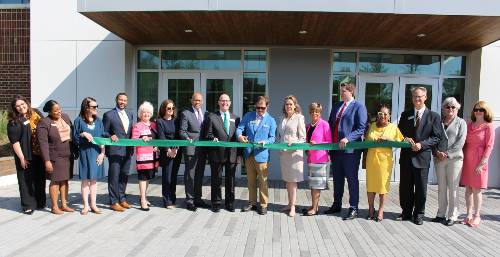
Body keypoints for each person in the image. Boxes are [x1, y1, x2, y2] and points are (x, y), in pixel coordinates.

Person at [398, 87, 442, 225]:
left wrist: (421, 145)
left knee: (421, 188)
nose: (417, 99)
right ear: (412, 98)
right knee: (405, 187)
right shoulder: (406, 114)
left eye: (420, 96)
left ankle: (419, 214)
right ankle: (406, 212)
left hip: (422, 157)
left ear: (425, 97)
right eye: (415, 97)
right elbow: (398, 133)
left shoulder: (434, 116)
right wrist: (404, 138)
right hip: (406, 157)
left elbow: (436, 137)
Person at [325, 82, 367, 220]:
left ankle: (353, 208)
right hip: (336, 150)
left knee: (351, 179)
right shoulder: (337, 106)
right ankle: (337, 204)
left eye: (344, 91)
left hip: (350, 151)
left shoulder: (359, 107)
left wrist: (348, 138)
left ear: (351, 92)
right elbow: (330, 125)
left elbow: (361, 128)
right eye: (341, 91)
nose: (342, 93)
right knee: (337, 179)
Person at [236, 95, 277, 215]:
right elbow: (240, 128)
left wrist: (266, 142)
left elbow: (273, 137)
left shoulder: (271, 120)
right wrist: (239, 136)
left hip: (262, 155)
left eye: (262, 108)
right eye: (258, 107)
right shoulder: (248, 116)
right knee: (251, 181)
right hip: (249, 154)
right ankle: (252, 203)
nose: (260, 110)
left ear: (267, 107)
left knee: (263, 182)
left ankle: (263, 205)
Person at [7, 95, 46, 214]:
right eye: (17, 106)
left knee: (40, 179)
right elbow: (15, 142)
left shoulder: (36, 113)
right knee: (25, 180)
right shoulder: (14, 121)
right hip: (25, 155)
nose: (20, 107)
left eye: (22, 104)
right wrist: (21, 158)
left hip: (39, 153)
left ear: (27, 103)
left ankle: (40, 202)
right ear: (14, 108)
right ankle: (28, 205)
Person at [365, 105, 404, 222]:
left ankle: (381, 210)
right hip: (372, 159)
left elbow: (400, 141)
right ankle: (371, 209)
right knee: (371, 185)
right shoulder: (372, 126)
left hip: (384, 161)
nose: (383, 116)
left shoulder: (393, 128)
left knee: (382, 186)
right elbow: (367, 141)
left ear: (389, 116)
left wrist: (388, 139)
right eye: (380, 114)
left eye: (385, 114)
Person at [431, 97, 467, 226]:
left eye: (453, 107)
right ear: (443, 109)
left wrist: (447, 154)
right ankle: (441, 214)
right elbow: (433, 138)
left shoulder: (461, 123)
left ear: (457, 109)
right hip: (439, 159)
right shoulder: (438, 121)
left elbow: (460, 142)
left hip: (454, 159)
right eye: (447, 107)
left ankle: (452, 215)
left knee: (453, 188)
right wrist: (436, 152)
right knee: (441, 187)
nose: (450, 109)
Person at [460, 101, 495, 227]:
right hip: (468, 159)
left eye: (481, 110)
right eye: (476, 109)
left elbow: (489, 146)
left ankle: (477, 216)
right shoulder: (469, 125)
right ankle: (468, 214)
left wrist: (482, 163)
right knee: (468, 188)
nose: (478, 112)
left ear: (486, 112)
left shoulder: (488, 126)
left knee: (476, 189)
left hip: (480, 160)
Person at [204, 93, 241, 213]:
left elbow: (237, 137)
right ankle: (216, 202)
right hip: (216, 154)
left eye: (227, 101)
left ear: (230, 103)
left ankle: (230, 203)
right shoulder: (212, 117)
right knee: (216, 179)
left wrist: (239, 155)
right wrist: (212, 138)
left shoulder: (236, 118)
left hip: (232, 154)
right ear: (218, 102)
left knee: (231, 180)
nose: (225, 103)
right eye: (222, 100)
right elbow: (208, 134)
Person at [37, 100, 75, 215]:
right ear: (49, 111)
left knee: (65, 180)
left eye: (60, 109)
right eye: (56, 110)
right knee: (55, 181)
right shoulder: (44, 123)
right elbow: (43, 144)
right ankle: (54, 206)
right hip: (55, 157)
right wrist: (47, 161)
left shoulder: (65, 117)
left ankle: (64, 204)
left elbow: (73, 133)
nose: (59, 112)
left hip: (67, 155)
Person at [73, 97, 105, 215]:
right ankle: (86, 206)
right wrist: (82, 134)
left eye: (97, 106)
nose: (96, 109)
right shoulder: (79, 121)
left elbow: (102, 138)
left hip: (97, 153)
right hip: (85, 153)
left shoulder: (99, 121)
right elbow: (75, 139)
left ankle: (94, 205)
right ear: (86, 108)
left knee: (94, 181)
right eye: (93, 107)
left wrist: (102, 153)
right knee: (85, 180)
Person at [103, 93, 134, 212]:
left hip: (127, 150)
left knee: (124, 175)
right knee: (114, 176)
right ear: (116, 100)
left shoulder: (130, 114)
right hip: (115, 151)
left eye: (125, 100)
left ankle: (122, 198)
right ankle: (113, 201)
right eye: (120, 100)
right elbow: (104, 132)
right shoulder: (109, 115)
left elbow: (131, 132)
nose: (123, 102)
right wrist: (111, 135)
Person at [179, 92, 209, 211]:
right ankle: (190, 200)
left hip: (202, 149)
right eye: (195, 100)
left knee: (199, 175)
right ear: (191, 100)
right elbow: (182, 131)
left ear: (202, 102)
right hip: (191, 148)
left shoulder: (205, 114)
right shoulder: (186, 113)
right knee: (190, 175)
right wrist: (187, 139)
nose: (197, 102)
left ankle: (198, 199)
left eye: (199, 100)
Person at [277, 95, 306, 217]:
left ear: (295, 106)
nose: (288, 106)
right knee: (287, 181)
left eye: (290, 104)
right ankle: (289, 204)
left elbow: (303, 138)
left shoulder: (299, 118)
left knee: (293, 181)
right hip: (284, 154)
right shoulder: (281, 118)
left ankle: (293, 206)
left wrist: (293, 143)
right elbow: (279, 135)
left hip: (294, 154)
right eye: (286, 104)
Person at [303, 102, 332, 216]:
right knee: (313, 184)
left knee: (317, 185)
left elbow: (329, 142)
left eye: (317, 111)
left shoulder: (325, 124)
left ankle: (315, 209)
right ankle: (313, 205)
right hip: (311, 158)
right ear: (310, 112)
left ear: (320, 113)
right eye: (312, 111)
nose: (314, 113)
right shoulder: (308, 126)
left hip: (320, 159)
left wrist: (317, 144)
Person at [132, 101, 159, 211]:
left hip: (153, 156)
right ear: (140, 114)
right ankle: (142, 199)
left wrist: (157, 146)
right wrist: (141, 139)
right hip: (143, 157)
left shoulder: (154, 125)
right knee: (143, 178)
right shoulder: (137, 126)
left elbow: (157, 139)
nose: (146, 114)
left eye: (148, 112)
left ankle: (144, 196)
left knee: (148, 177)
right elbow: (133, 141)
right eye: (144, 112)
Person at [157, 99, 178, 209]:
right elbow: (161, 137)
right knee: (167, 178)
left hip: (176, 152)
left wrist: (175, 149)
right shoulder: (160, 121)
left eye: (172, 108)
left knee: (174, 177)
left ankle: (173, 199)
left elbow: (178, 136)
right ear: (164, 109)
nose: (171, 110)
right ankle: (167, 200)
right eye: (168, 108)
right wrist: (168, 150)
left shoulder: (176, 121)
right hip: (166, 153)